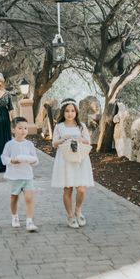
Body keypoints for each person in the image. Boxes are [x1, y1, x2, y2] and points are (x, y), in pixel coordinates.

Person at [51, 98, 94, 228]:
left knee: (81, 189)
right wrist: (63, 138)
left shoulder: (81, 126)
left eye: (72, 111)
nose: (70, 113)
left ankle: (78, 211)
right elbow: (54, 143)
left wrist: (79, 138)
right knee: (68, 188)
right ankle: (70, 216)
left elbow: (88, 141)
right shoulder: (59, 126)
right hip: (65, 159)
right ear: (63, 112)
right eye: (67, 111)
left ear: (76, 112)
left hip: (80, 159)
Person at [1, 117, 39, 232]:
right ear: (13, 130)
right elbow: (3, 157)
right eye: (20, 128)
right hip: (14, 176)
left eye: (26, 128)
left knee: (29, 198)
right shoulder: (9, 144)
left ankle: (29, 221)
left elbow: (35, 159)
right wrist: (11, 161)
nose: (23, 131)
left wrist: (33, 161)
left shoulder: (30, 144)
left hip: (27, 176)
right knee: (14, 198)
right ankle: (15, 217)